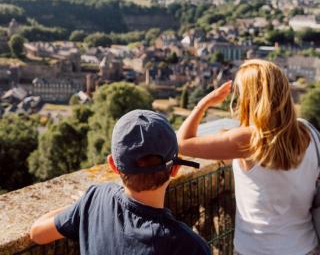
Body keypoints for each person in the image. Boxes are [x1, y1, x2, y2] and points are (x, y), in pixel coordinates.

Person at [177, 59, 320, 255]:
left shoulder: (248, 139)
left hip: (257, 250)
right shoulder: (308, 131)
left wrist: (204, 104)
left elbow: (181, 143)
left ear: (250, 97)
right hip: (306, 247)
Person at [29, 109, 211, 254]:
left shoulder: (95, 199)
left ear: (113, 166)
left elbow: (37, 232)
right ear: (175, 168)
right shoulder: (189, 247)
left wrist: (82, 205)